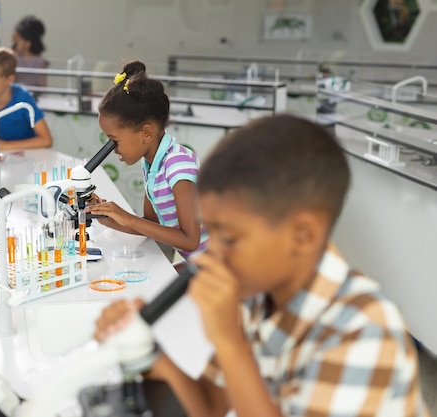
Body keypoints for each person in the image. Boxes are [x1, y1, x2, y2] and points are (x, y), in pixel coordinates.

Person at [94, 114, 429, 417]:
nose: (210, 256)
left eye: (230, 238)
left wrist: (228, 341)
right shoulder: (257, 298)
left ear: (302, 235)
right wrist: (145, 351)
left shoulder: (363, 331)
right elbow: (209, 407)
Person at [86, 61, 208, 260]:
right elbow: (152, 226)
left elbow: (190, 240)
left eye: (114, 141)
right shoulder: (152, 164)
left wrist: (127, 218)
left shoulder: (178, 167)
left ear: (146, 133)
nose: (111, 149)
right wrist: (108, 218)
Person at [0, 47, 52, 151]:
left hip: (28, 155)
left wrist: (6, 145)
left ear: (10, 79)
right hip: (0, 156)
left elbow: (47, 140)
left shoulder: (23, 98)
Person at [12, 15, 49, 87]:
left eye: (18, 40)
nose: (15, 44)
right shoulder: (14, 59)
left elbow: (43, 86)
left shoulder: (40, 62)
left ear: (27, 43)